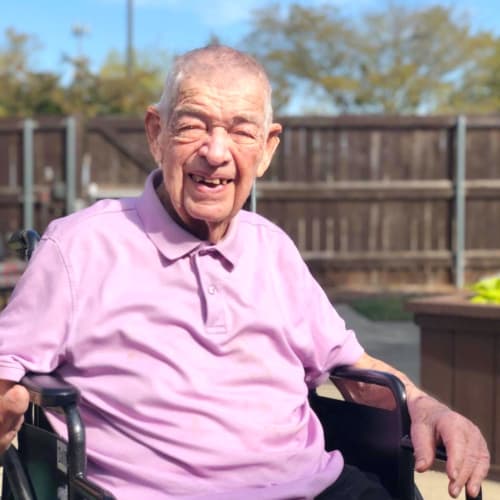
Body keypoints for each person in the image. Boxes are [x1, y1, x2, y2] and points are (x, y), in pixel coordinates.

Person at [0, 45, 489, 500]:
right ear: (156, 133)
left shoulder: (272, 248)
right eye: (192, 125)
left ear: (268, 147)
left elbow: (353, 368)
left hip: (317, 486)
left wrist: (429, 408)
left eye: (240, 130)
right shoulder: (81, 245)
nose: (215, 151)